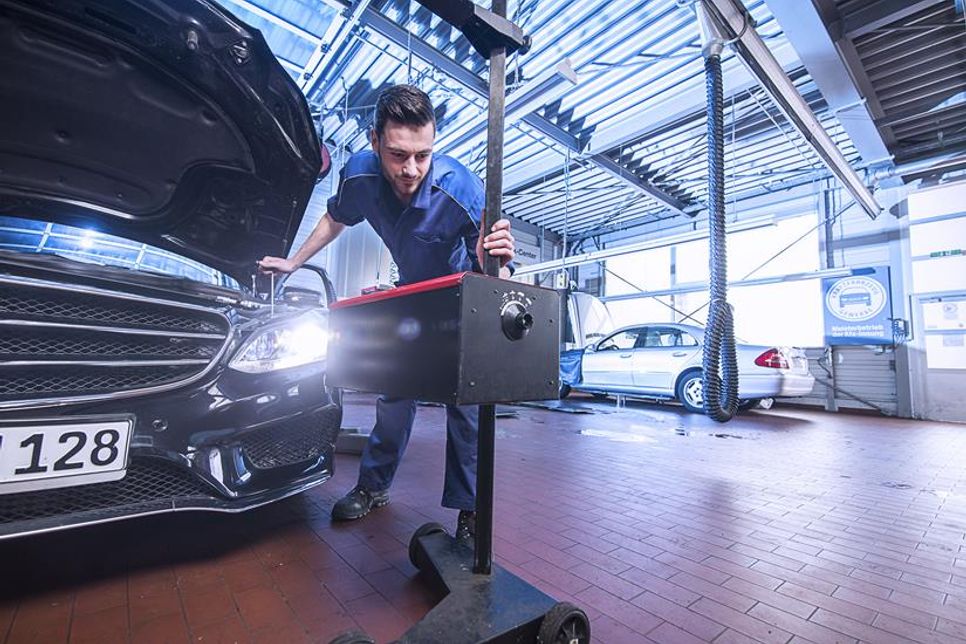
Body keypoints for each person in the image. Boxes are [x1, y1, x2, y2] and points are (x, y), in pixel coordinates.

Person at [258, 85, 514, 539]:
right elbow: (337, 216)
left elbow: (491, 256)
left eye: (423, 154)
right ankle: (374, 487)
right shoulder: (359, 175)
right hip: (412, 297)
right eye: (398, 155)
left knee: (467, 405)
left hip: (462, 297)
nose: (412, 168)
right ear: (374, 141)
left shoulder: (459, 187)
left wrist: (497, 254)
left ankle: (470, 509)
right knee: (394, 393)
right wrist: (295, 262)